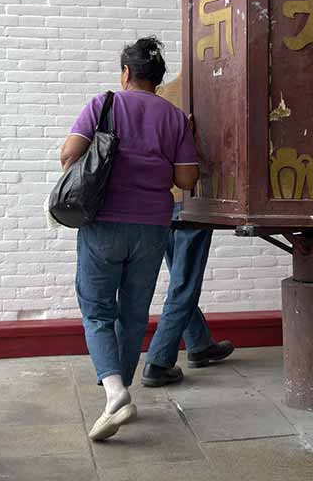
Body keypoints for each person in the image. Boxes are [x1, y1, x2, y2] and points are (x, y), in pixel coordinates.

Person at [60, 37, 199, 441]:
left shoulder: (104, 104)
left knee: (98, 309)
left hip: (104, 224)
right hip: (152, 227)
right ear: (156, 77)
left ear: (125, 73)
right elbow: (185, 179)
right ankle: (118, 391)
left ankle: (115, 392)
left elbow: (69, 155)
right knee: (134, 312)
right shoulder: (174, 118)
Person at [142, 74, 234, 387]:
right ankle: (158, 361)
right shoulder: (212, 96)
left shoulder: (160, 94)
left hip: (161, 200)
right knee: (185, 283)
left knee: (181, 279)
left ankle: (200, 344)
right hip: (193, 200)